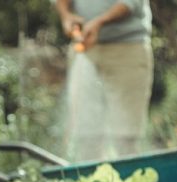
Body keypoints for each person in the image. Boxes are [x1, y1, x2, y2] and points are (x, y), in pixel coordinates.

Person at [55, 0, 154, 161]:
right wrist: (66, 15)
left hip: (127, 48)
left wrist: (100, 21)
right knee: (86, 134)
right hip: (84, 47)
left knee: (125, 136)